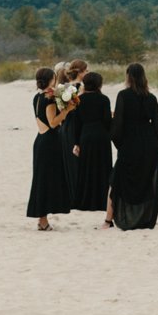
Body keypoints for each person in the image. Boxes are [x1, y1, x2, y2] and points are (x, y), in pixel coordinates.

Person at [109, 62, 158, 230]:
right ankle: (145, 218)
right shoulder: (151, 98)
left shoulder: (123, 96)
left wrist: (119, 144)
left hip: (129, 142)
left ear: (129, 77)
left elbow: (118, 124)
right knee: (145, 180)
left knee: (125, 179)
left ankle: (125, 218)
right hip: (149, 142)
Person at [26, 66, 74, 228]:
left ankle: (42, 218)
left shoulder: (37, 97)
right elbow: (53, 123)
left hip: (40, 140)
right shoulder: (49, 99)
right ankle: (42, 219)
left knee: (42, 180)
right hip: (50, 142)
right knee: (46, 180)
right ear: (51, 80)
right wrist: (67, 110)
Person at [71, 69, 116, 222]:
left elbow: (77, 123)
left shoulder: (79, 99)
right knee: (103, 167)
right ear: (99, 84)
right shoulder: (104, 100)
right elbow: (106, 120)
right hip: (101, 135)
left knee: (86, 167)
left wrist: (76, 142)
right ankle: (101, 200)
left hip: (85, 135)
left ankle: (85, 200)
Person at [57, 59, 90, 205]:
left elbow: (60, 110)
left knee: (68, 162)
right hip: (78, 126)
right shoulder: (82, 88)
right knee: (79, 161)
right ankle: (79, 196)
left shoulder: (61, 88)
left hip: (65, 126)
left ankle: (70, 195)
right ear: (80, 72)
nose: (88, 73)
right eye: (86, 70)